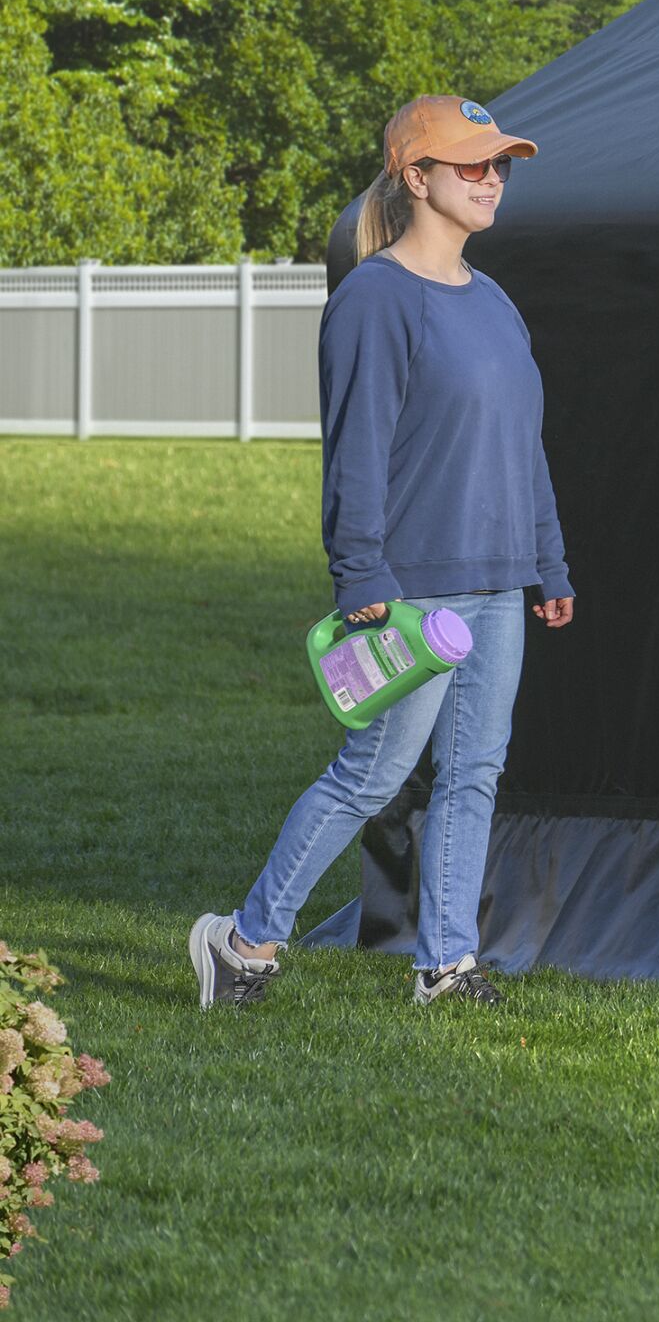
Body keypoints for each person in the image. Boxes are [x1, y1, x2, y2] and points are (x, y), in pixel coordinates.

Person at [189, 95, 575, 1010]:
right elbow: (354, 450)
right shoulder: (374, 298)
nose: (492, 179)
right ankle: (242, 946)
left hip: (498, 582)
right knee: (371, 776)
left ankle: (445, 964)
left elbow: (524, 447)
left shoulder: (495, 303)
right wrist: (359, 572)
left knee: (474, 777)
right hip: (413, 595)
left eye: (500, 166)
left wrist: (548, 563)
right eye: (472, 164)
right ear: (416, 178)